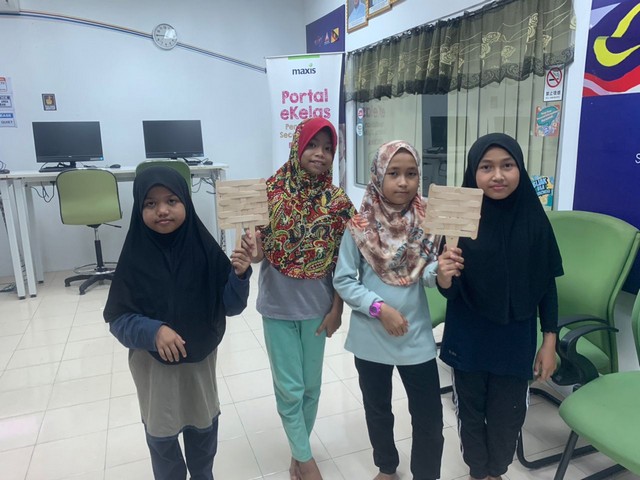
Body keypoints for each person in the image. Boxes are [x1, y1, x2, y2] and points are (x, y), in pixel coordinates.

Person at [103, 166, 254, 480]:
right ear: (139, 208)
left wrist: (239, 276)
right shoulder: (134, 258)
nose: (162, 210)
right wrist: (153, 331)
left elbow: (231, 306)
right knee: (163, 441)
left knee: (203, 434)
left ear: (186, 201)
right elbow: (117, 319)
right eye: (150, 203)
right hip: (154, 370)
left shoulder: (206, 250)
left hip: (198, 367)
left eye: (171, 200)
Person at [436, 133, 563, 480]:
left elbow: (546, 286)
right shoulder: (458, 222)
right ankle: (479, 472)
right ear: (472, 172)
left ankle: (497, 471)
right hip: (468, 338)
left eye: (507, 165)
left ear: (520, 168)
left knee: (508, 417)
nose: (497, 176)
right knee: (470, 415)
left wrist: (549, 341)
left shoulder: (534, 220)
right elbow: (450, 292)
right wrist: (444, 276)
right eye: (486, 167)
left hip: (515, 340)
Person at [333, 140, 445, 480]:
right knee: (378, 409)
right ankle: (386, 466)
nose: (403, 182)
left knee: (429, 415)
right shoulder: (359, 226)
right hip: (371, 336)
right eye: (393, 173)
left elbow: (426, 272)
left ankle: (426, 474)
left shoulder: (428, 220)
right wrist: (379, 309)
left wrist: (440, 272)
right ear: (378, 176)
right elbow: (344, 280)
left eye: (411, 174)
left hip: (415, 334)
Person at [252, 117, 355, 480]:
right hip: (277, 307)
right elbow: (258, 253)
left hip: (317, 308)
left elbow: (345, 262)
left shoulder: (339, 203)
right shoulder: (269, 192)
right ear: (297, 146)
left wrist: (337, 309)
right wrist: (250, 249)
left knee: (311, 387)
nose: (320, 154)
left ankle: (300, 451)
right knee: (290, 388)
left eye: (328, 148)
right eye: (312, 145)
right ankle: (306, 461)